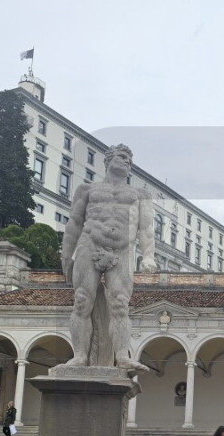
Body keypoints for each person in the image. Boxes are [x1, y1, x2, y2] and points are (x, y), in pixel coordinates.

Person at [61, 143, 157, 371]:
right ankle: (80, 356)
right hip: (89, 245)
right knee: (82, 301)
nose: (127, 162)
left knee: (121, 304)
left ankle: (122, 356)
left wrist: (148, 256)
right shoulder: (87, 189)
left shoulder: (140, 195)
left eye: (129, 161)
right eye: (122, 157)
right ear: (108, 160)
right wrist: (66, 254)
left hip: (122, 251)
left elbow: (146, 228)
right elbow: (74, 223)